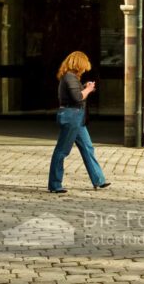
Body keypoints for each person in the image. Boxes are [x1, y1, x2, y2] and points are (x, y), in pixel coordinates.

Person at [47, 51, 110, 193]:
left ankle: (98, 180)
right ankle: (55, 185)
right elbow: (77, 97)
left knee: (88, 148)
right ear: (78, 64)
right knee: (62, 151)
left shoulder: (72, 78)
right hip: (71, 117)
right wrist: (87, 89)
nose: (84, 69)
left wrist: (84, 86)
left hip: (77, 118)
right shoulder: (69, 76)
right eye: (84, 66)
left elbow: (76, 93)